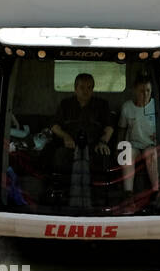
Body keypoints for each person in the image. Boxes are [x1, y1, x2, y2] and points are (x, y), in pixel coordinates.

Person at [49, 74, 114, 206]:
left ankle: (99, 201)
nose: (86, 91)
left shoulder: (101, 105)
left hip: (94, 145)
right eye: (82, 87)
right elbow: (54, 126)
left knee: (103, 157)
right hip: (70, 146)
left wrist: (103, 141)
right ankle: (61, 198)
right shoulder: (65, 104)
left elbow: (109, 127)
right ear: (75, 89)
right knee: (58, 156)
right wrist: (65, 136)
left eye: (89, 88)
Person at [117, 75, 160, 202]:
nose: (145, 94)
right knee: (126, 153)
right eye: (142, 91)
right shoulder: (127, 107)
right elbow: (121, 129)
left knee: (150, 154)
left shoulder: (157, 106)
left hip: (151, 145)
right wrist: (118, 147)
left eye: (148, 90)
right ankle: (128, 192)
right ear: (135, 91)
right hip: (133, 144)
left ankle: (156, 190)